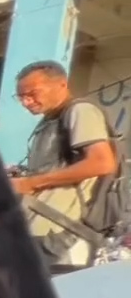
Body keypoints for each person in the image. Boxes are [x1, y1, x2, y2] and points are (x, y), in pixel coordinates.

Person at [13, 59, 120, 266]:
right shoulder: (49, 121)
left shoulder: (80, 111)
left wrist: (31, 183)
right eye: (21, 97)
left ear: (61, 84)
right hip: (42, 230)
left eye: (32, 93)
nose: (26, 102)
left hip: (66, 232)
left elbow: (102, 162)